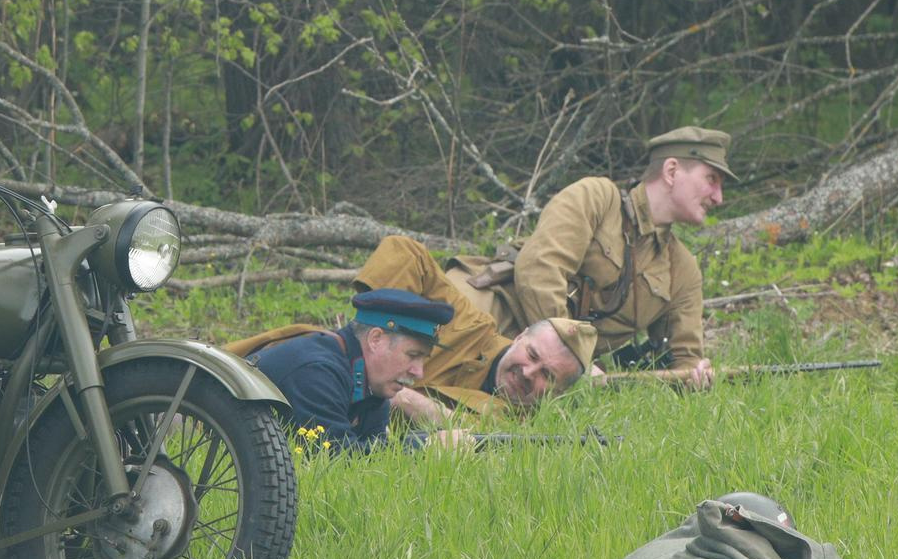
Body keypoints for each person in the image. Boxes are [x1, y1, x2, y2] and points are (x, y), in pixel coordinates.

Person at [360, 126, 737, 416]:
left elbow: (681, 360)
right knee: (405, 346)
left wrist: (692, 378)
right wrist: (576, 360)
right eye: (711, 179)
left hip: (543, 370)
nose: (718, 197)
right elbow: (540, 269)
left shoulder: (682, 270)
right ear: (672, 170)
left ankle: (387, 412)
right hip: (493, 308)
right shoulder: (597, 198)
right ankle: (348, 364)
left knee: (458, 410)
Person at [244, 289, 449, 452]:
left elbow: (374, 456)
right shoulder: (316, 372)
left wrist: (423, 443)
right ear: (375, 339)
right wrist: (427, 446)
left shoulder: (371, 385)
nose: (419, 372)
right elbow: (333, 456)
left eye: (423, 359)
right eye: (413, 355)